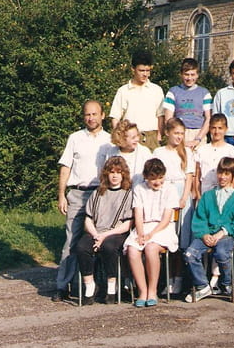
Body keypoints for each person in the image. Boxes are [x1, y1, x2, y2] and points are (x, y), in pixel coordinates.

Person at [53, 100, 112, 302]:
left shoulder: (109, 140)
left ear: (103, 115)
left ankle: (102, 287)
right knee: (71, 241)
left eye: (94, 114)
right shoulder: (75, 138)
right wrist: (62, 195)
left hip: (101, 195)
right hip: (78, 194)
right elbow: (65, 167)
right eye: (87, 114)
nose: (91, 118)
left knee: (101, 240)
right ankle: (62, 286)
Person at [183, 157, 234, 303]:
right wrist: (204, 234)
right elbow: (200, 218)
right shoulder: (208, 196)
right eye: (220, 173)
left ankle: (227, 284)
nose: (222, 177)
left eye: (227, 174)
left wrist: (222, 232)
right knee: (189, 254)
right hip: (206, 234)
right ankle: (203, 286)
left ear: (233, 176)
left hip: (225, 235)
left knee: (222, 253)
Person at [71, 156, 133, 305]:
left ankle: (112, 286)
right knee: (81, 247)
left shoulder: (128, 194)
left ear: (123, 174)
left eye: (118, 172)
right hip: (96, 231)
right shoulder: (97, 193)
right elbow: (88, 219)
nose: (115, 176)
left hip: (116, 232)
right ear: (106, 174)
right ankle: (90, 285)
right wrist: (96, 235)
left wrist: (104, 236)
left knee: (109, 247)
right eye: (111, 172)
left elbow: (127, 224)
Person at [123, 158, 179, 307]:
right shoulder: (139, 189)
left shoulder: (170, 189)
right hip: (143, 226)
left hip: (162, 228)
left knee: (151, 248)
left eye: (160, 178)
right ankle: (142, 291)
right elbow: (138, 214)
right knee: (132, 250)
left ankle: (152, 290)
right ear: (146, 177)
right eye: (153, 178)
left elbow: (166, 219)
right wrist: (141, 233)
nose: (157, 182)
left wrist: (151, 234)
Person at [153, 117, 195, 295]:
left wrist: (184, 198)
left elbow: (189, 177)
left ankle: (179, 279)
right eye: (176, 133)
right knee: (168, 237)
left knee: (181, 239)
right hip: (164, 194)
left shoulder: (187, 152)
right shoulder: (159, 152)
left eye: (182, 134)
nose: (179, 137)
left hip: (181, 195)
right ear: (167, 133)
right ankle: (168, 279)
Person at [108, 50, 165, 151]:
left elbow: (160, 116)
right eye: (141, 71)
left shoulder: (156, 90)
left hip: (151, 138)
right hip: (129, 138)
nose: (145, 74)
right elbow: (115, 117)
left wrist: (159, 136)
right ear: (133, 69)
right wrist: (120, 137)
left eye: (148, 70)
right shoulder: (123, 91)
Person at [162, 58, 212, 150]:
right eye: (186, 74)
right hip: (178, 133)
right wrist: (179, 137)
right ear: (181, 74)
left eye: (192, 74)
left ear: (197, 75)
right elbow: (168, 120)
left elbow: (208, 118)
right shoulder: (173, 92)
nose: (189, 78)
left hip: (199, 133)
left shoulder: (204, 93)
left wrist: (198, 139)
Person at [193, 114, 234, 201]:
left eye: (220, 128)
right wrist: (199, 197)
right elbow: (197, 176)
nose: (216, 131)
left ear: (226, 129)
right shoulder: (202, 150)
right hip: (205, 194)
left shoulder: (232, 151)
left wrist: (228, 195)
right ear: (209, 129)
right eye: (214, 128)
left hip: (225, 196)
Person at [106, 120, 152, 186]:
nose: (137, 139)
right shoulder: (112, 152)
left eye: (137, 135)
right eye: (133, 137)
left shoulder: (144, 152)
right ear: (122, 139)